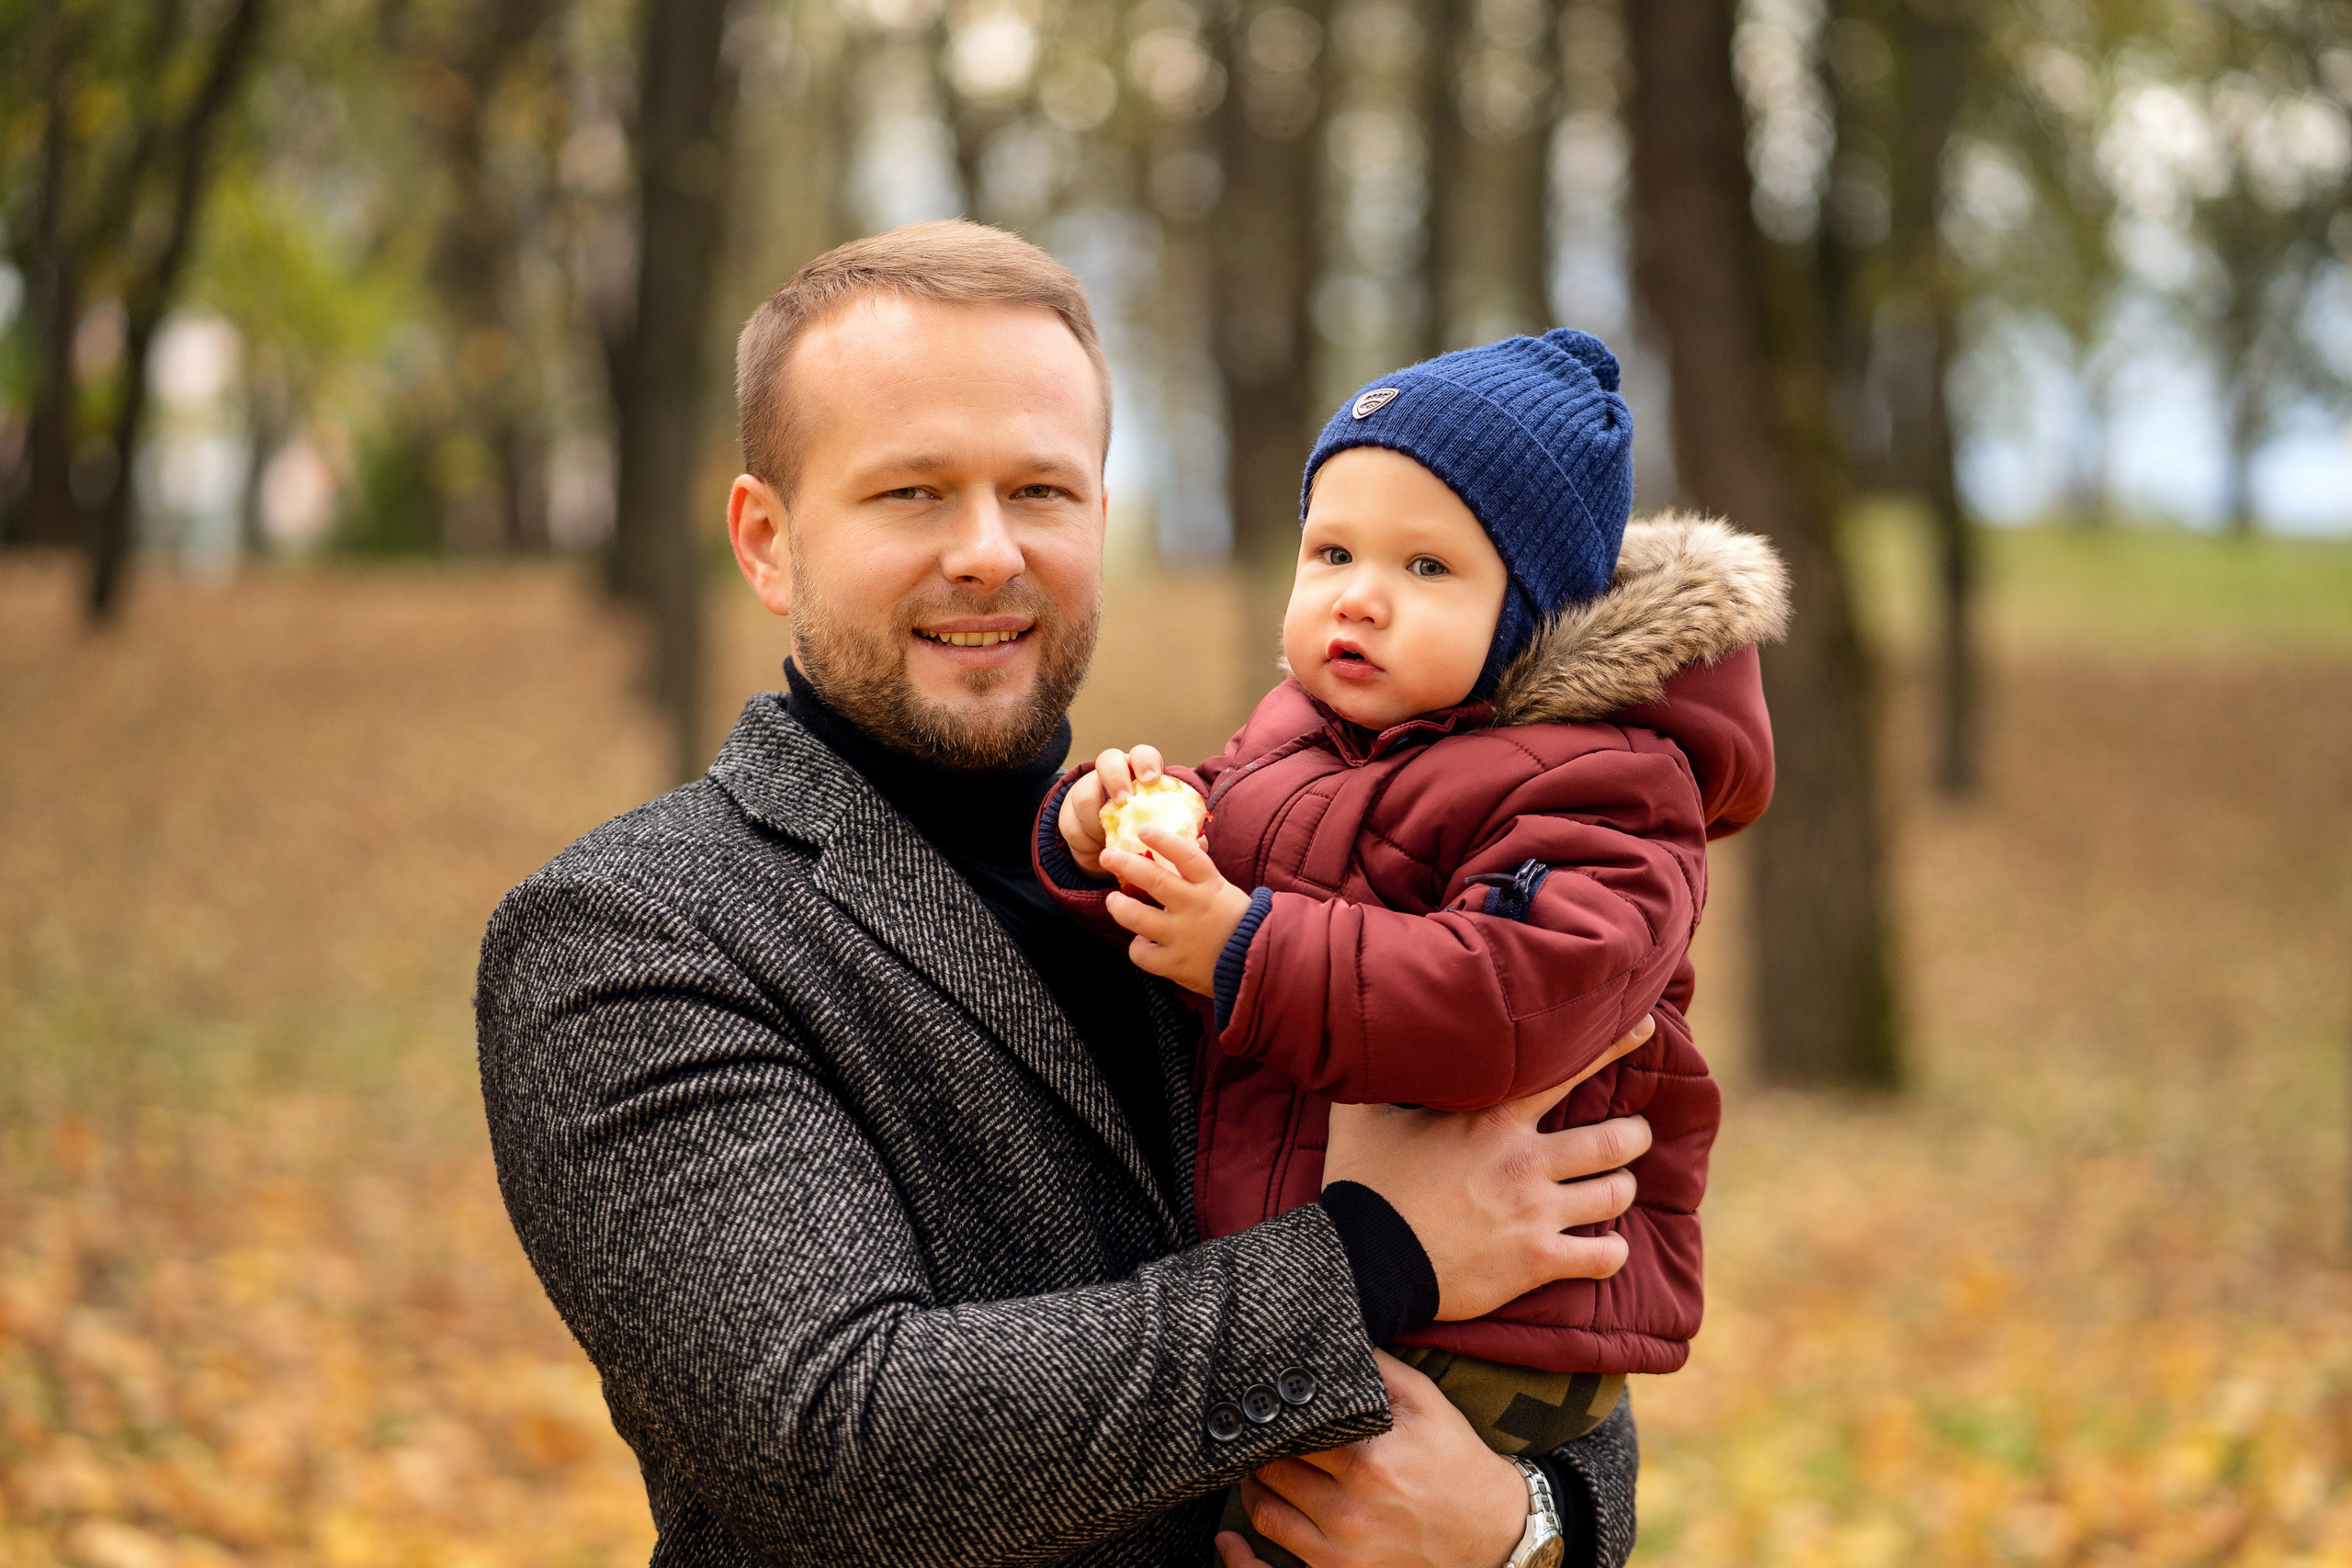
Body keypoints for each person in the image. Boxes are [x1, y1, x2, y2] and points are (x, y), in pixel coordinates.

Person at [475, 220, 1657, 1568]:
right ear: (767, 540)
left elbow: (1545, 1299)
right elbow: (834, 1444)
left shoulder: (1260, 863)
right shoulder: (632, 930)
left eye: (1040, 491)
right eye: (910, 493)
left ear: (1101, 514)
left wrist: (1524, 1532)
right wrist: (1371, 1256)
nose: (988, 553)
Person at [1039, 331, 1787, 1563]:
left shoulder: (1609, 786)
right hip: (1339, 1280)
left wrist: (1246, 951)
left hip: (1495, 1326)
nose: (1359, 595)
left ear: (1531, 614)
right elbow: (1217, 834)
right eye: (1331, 551)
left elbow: (1512, 998)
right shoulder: (1304, 735)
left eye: (1428, 565)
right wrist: (1098, 836)